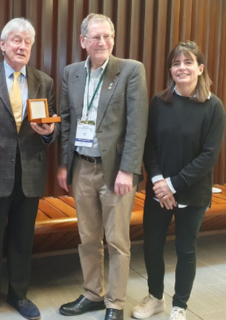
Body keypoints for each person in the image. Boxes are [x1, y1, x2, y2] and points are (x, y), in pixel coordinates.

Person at [57, 13, 148, 320]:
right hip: (81, 167)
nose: (103, 42)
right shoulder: (71, 73)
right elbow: (67, 121)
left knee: (117, 240)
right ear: (83, 41)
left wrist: (128, 169)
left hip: (115, 170)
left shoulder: (131, 70)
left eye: (108, 36)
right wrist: (62, 165)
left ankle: (115, 304)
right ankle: (93, 293)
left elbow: (137, 125)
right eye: (96, 37)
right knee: (88, 236)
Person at [0, 18, 59, 320]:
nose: (22, 46)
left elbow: (52, 124)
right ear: (3, 44)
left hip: (30, 173)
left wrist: (48, 133)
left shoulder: (43, 82)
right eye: (16, 40)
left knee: (22, 238)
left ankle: (19, 294)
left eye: (27, 42)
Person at [131, 41, 226, 320]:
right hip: (158, 189)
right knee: (152, 245)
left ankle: (180, 305)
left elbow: (209, 155)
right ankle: (156, 297)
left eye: (187, 62)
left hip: (192, 191)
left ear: (200, 68)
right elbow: (149, 146)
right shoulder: (159, 102)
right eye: (176, 63)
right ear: (170, 69)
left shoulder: (213, 106)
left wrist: (172, 185)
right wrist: (160, 182)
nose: (181, 68)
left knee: (186, 249)